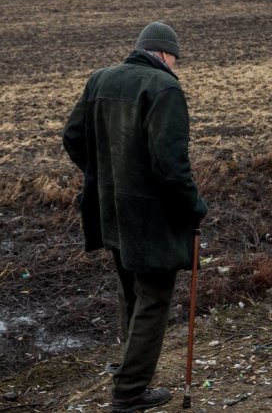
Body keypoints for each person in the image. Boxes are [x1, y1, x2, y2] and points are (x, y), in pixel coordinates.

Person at [63, 21, 208, 413]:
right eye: (174, 59)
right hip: (150, 216)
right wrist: (195, 208)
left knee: (130, 290)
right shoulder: (164, 88)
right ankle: (129, 390)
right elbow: (171, 166)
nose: (175, 67)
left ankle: (130, 366)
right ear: (163, 54)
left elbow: (73, 138)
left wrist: (104, 176)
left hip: (109, 208)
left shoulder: (100, 79)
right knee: (155, 297)